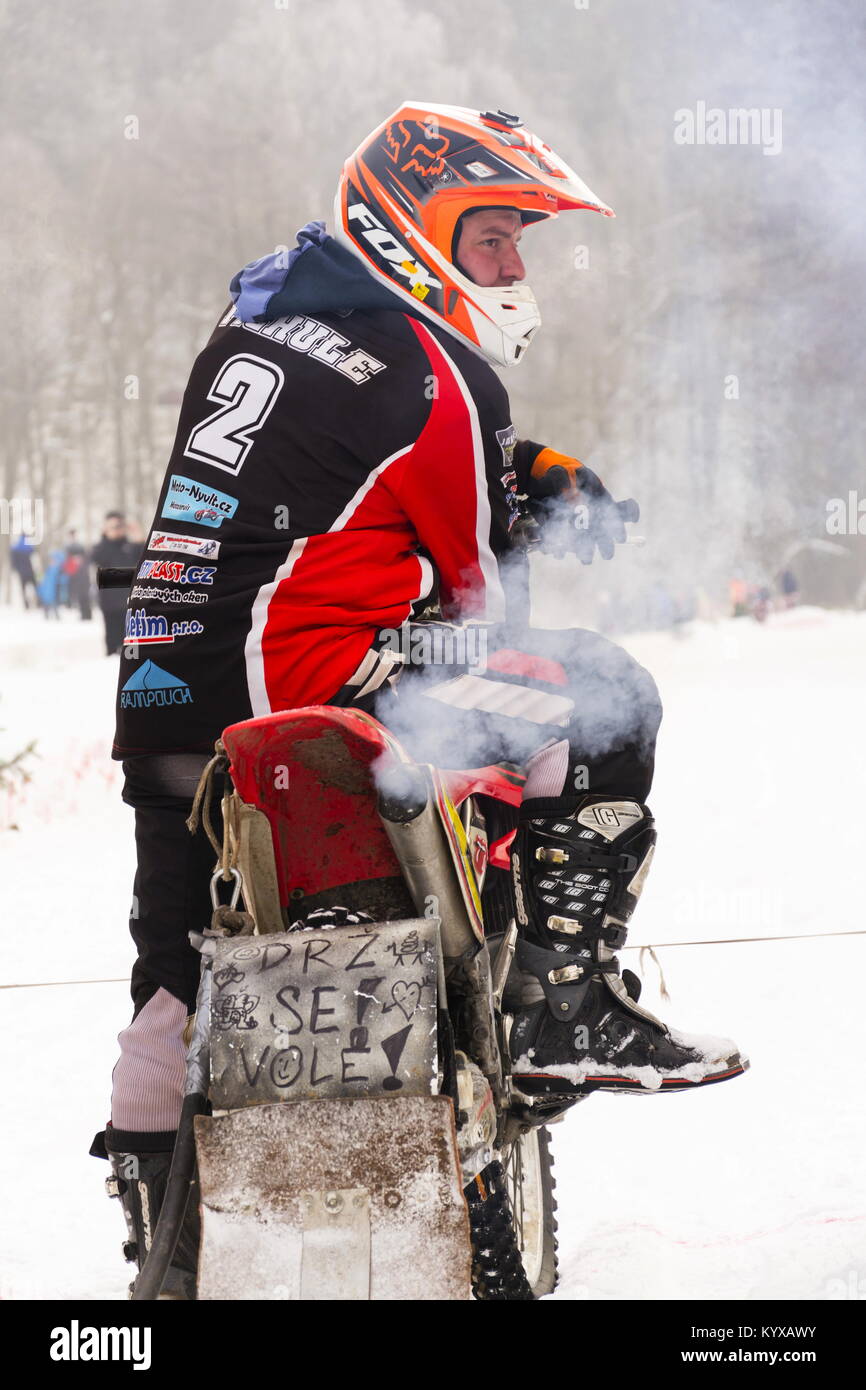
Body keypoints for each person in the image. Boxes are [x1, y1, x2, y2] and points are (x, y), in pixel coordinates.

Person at [90, 104, 747, 1294]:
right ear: (413, 229)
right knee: (603, 690)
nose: (512, 266)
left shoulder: (264, 318)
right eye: (492, 238)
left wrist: (518, 465)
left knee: (170, 975)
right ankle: (563, 999)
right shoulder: (443, 374)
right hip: (311, 693)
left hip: (165, 708)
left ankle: (156, 1229)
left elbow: (337, 457)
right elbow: (479, 596)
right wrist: (530, 510)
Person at [90, 513, 140, 654]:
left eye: (119, 526)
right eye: (113, 526)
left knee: (131, 652)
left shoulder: (131, 546)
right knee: (112, 646)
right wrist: (106, 535)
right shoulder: (101, 547)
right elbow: (95, 557)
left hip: (130, 604)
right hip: (109, 604)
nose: (117, 529)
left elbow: (146, 555)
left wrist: (137, 533)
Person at [63, 529, 93, 620]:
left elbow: (86, 558)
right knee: (80, 595)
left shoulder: (79, 546)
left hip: (82, 573)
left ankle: (87, 614)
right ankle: (84, 614)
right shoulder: (68, 547)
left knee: (85, 595)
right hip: (76, 573)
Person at [10, 533, 39, 608]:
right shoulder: (30, 547)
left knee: (23, 588)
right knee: (35, 586)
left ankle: (26, 604)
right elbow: (34, 559)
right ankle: (39, 602)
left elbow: (13, 562)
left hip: (21, 572)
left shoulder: (15, 548)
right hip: (30, 571)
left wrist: (15, 569)